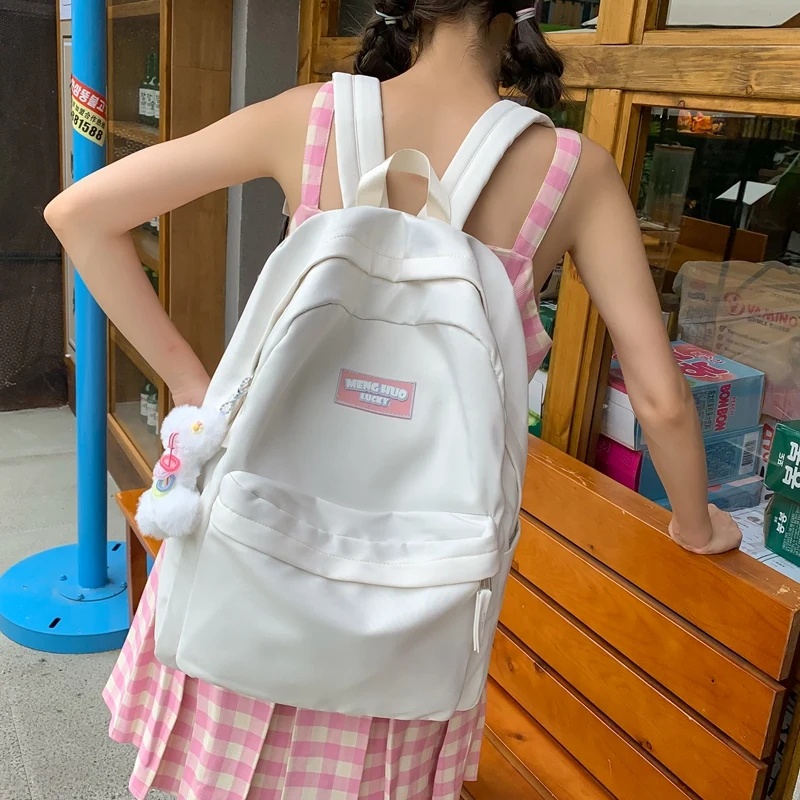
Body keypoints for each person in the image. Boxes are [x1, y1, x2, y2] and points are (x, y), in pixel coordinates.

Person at [45, 1, 744, 797]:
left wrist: (192, 385)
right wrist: (696, 526)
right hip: (414, 611)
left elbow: (80, 216)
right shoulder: (570, 171)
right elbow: (660, 400)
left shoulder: (311, 118)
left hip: (254, 562)